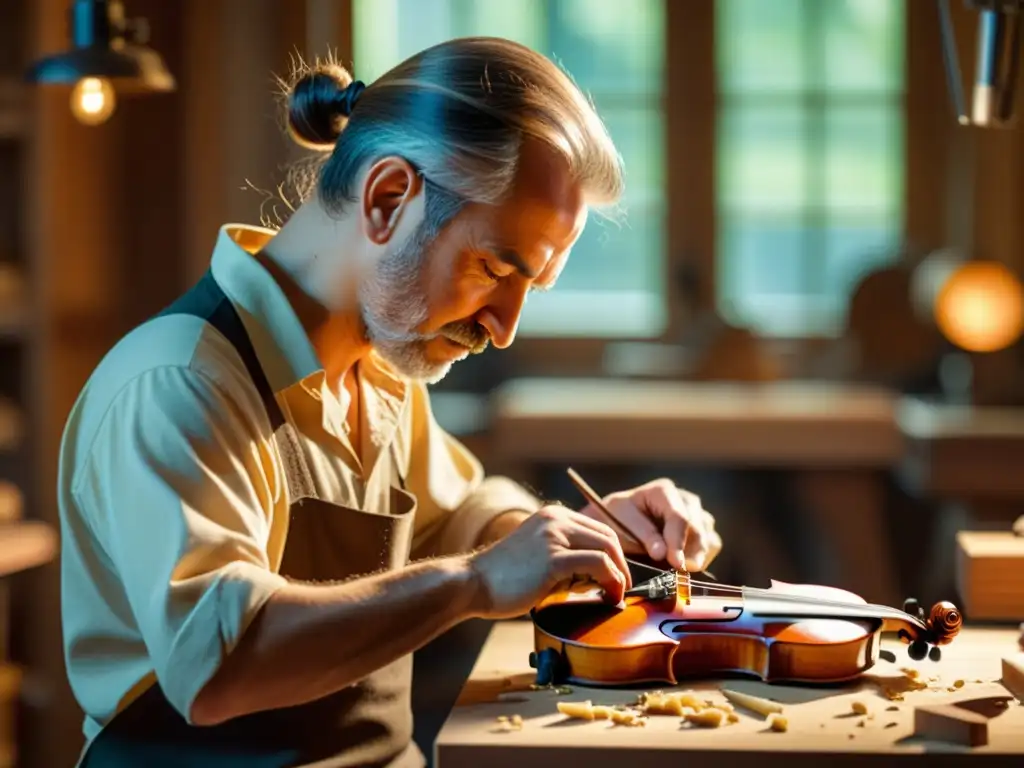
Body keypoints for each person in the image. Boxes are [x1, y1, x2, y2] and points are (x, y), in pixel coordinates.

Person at [57, 37, 722, 767]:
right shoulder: (180, 384)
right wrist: (474, 582)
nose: (504, 328)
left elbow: (464, 511)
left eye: (530, 289)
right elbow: (219, 666)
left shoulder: (379, 369)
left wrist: (576, 536)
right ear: (388, 198)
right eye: (496, 268)